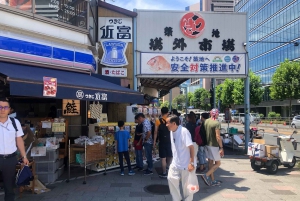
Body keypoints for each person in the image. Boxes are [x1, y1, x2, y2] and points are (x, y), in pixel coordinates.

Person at [0, 98, 29, 201]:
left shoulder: (14, 122)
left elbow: (19, 140)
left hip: (10, 159)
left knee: (9, 188)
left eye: (5, 107)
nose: (2, 109)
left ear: (9, 110)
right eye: (0, 107)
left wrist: (24, 156)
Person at [166, 115, 195, 201]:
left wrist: (191, 163)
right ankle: (177, 199)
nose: (166, 125)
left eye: (167, 123)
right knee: (171, 179)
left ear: (174, 123)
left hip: (186, 164)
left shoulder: (183, 131)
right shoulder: (171, 131)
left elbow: (191, 147)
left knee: (187, 188)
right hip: (175, 163)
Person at [201, 109, 224, 186]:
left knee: (210, 162)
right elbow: (218, 136)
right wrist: (221, 147)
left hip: (207, 144)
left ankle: (212, 180)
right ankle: (206, 175)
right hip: (214, 145)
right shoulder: (216, 123)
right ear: (216, 114)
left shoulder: (206, 121)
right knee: (218, 163)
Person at [153, 107, 172, 178]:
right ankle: (168, 167)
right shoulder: (170, 120)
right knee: (170, 155)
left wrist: (154, 141)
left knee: (163, 158)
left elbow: (155, 132)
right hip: (170, 141)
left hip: (162, 141)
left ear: (161, 112)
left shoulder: (158, 121)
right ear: (168, 113)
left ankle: (164, 173)